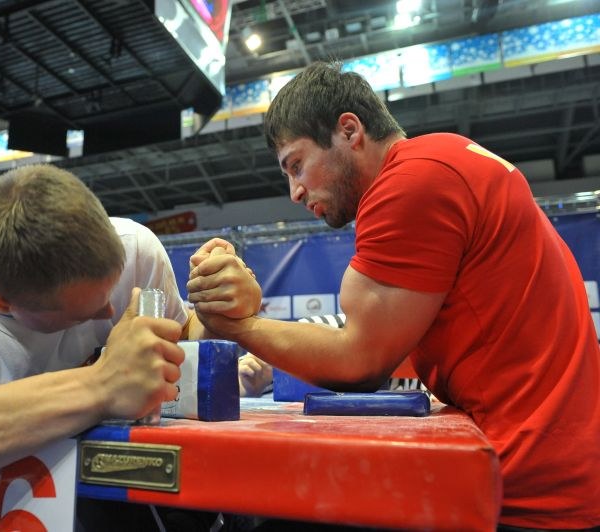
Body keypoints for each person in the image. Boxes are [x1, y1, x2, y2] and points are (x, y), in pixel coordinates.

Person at [187, 61, 600, 530]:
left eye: (297, 164)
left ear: (349, 131)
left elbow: (360, 362)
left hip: (527, 485)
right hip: (551, 466)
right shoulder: (444, 159)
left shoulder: (412, 182)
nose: (295, 191)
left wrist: (238, 325)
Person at [0, 163, 260, 527]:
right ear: (0, 304)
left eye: (107, 296)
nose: (106, 317)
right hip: (1, 495)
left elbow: (182, 356)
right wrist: (99, 385)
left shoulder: (135, 248)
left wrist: (227, 318)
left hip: (127, 499)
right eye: (82, 312)